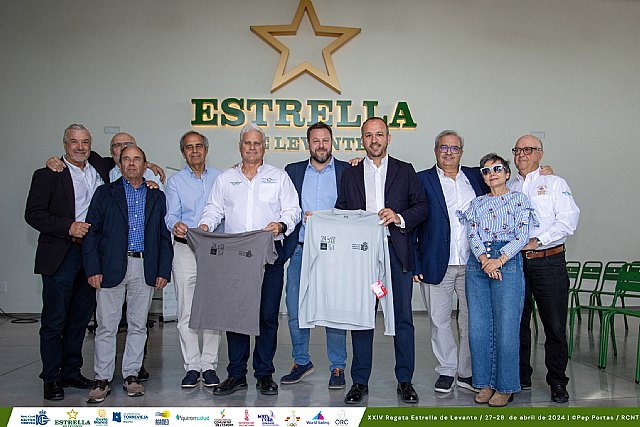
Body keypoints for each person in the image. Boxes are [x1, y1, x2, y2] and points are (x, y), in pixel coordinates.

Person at [199, 123, 301, 396]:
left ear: (264, 147)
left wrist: (281, 224)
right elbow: (213, 208)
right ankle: (236, 375)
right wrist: (206, 226)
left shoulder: (278, 177)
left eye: (257, 143)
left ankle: (265, 374)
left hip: (269, 256)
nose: (252, 147)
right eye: (247, 143)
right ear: (240, 146)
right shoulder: (225, 178)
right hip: (235, 260)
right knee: (236, 317)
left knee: (267, 317)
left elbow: (294, 210)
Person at [335, 117, 428, 404]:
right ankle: (359, 382)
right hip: (362, 259)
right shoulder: (350, 173)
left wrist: (398, 217)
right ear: (362, 140)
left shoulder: (405, 170)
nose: (374, 140)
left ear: (389, 138)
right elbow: (341, 211)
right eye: (368, 135)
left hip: (395, 255)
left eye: (379, 134)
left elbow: (422, 207)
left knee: (402, 319)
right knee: (362, 319)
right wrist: (322, 221)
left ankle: (405, 381)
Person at [25, 123, 110, 400]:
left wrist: (151, 165)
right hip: (60, 253)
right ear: (64, 144)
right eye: (74, 142)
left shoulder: (98, 168)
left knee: (79, 319)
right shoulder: (47, 174)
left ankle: (71, 371)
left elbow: (125, 157)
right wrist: (68, 226)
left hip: (89, 255)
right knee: (54, 320)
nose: (80, 147)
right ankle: (51, 378)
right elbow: (34, 214)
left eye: (85, 142)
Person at [83, 145, 173, 403]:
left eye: (137, 159)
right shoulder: (104, 194)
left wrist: (162, 270)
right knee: (106, 326)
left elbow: (163, 236)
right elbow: (92, 234)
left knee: (138, 325)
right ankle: (102, 378)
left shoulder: (157, 197)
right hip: (110, 267)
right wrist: (93, 268)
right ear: (119, 165)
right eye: (127, 160)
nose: (132, 164)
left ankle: (131, 375)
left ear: (145, 165)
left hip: (144, 267)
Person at [458, 153, 536, 407]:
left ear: (506, 172)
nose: (492, 173)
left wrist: (499, 260)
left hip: (507, 261)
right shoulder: (477, 203)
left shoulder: (519, 200)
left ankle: (505, 386)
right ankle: (485, 383)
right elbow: (472, 233)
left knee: (506, 326)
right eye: (486, 170)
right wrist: (484, 259)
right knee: (479, 326)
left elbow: (522, 234)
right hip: (479, 263)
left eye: (497, 168)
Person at [413, 130, 487, 394]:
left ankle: (466, 372)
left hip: (474, 263)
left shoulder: (477, 177)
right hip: (435, 263)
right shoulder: (422, 179)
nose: (449, 152)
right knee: (439, 320)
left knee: (470, 321)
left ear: (462, 152)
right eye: (443, 148)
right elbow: (412, 223)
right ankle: (446, 370)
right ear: (435, 150)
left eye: (454, 148)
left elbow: (505, 182)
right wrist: (415, 263)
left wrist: (540, 172)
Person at [511, 135, 580, 403]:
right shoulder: (510, 185)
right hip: (517, 263)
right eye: (517, 150)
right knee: (518, 323)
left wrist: (537, 240)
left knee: (554, 324)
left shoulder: (554, 183)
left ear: (540, 154)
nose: (522, 155)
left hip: (548, 261)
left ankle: (558, 381)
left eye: (528, 150)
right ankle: (520, 375)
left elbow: (568, 220)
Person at [281, 122, 350, 389]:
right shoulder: (292, 171)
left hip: (336, 252)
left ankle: (337, 367)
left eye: (325, 140)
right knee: (296, 307)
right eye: (315, 141)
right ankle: (301, 361)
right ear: (307, 143)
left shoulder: (347, 170)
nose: (321, 145)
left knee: (334, 310)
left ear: (332, 142)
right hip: (300, 249)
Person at [165, 131, 223, 388]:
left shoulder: (221, 177)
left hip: (214, 251)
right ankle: (192, 366)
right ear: (183, 152)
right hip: (185, 249)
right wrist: (175, 224)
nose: (195, 151)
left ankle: (209, 365)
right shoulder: (176, 181)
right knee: (186, 310)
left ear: (206, 150)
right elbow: (170, 214)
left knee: (212, 309)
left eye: (199, 146)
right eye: (189, 147)